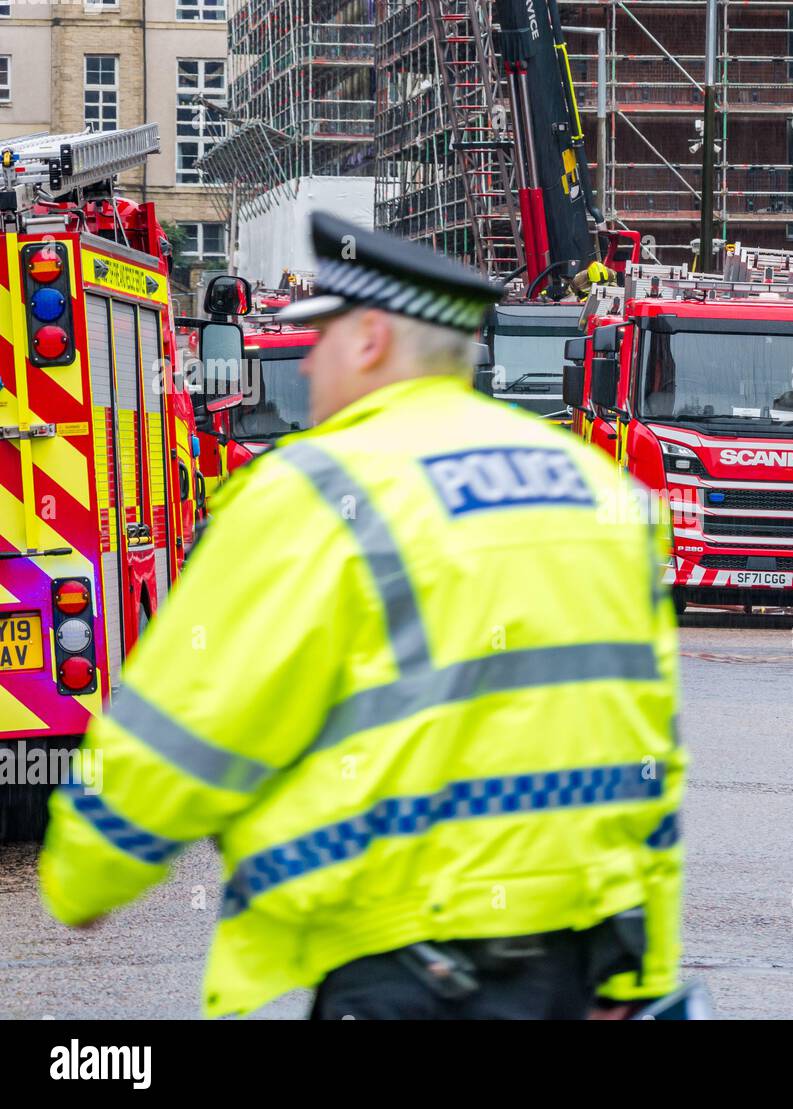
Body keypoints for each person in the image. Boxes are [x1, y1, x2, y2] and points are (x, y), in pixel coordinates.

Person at [39, 212, 685, 1021]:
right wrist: (644, 973)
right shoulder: (597, 492)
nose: (309, 364)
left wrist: (85, 873)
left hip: (404, 976)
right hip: (584, 969)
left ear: (373, 339)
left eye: (322, 340)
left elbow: (189, 722)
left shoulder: (312, 492)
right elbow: (651, 750)